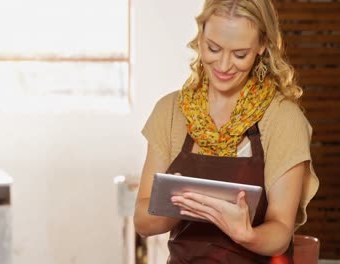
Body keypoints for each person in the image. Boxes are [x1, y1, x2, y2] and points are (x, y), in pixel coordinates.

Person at [134, 0, 319, 263]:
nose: (223, 65)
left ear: (262, 45)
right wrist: (185, 203)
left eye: (240, 54)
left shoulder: (283, 119)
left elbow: (281, 230)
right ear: (201, 37)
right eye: (213, 48)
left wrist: (247, 235)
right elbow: (142, 221)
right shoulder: (171, 112)